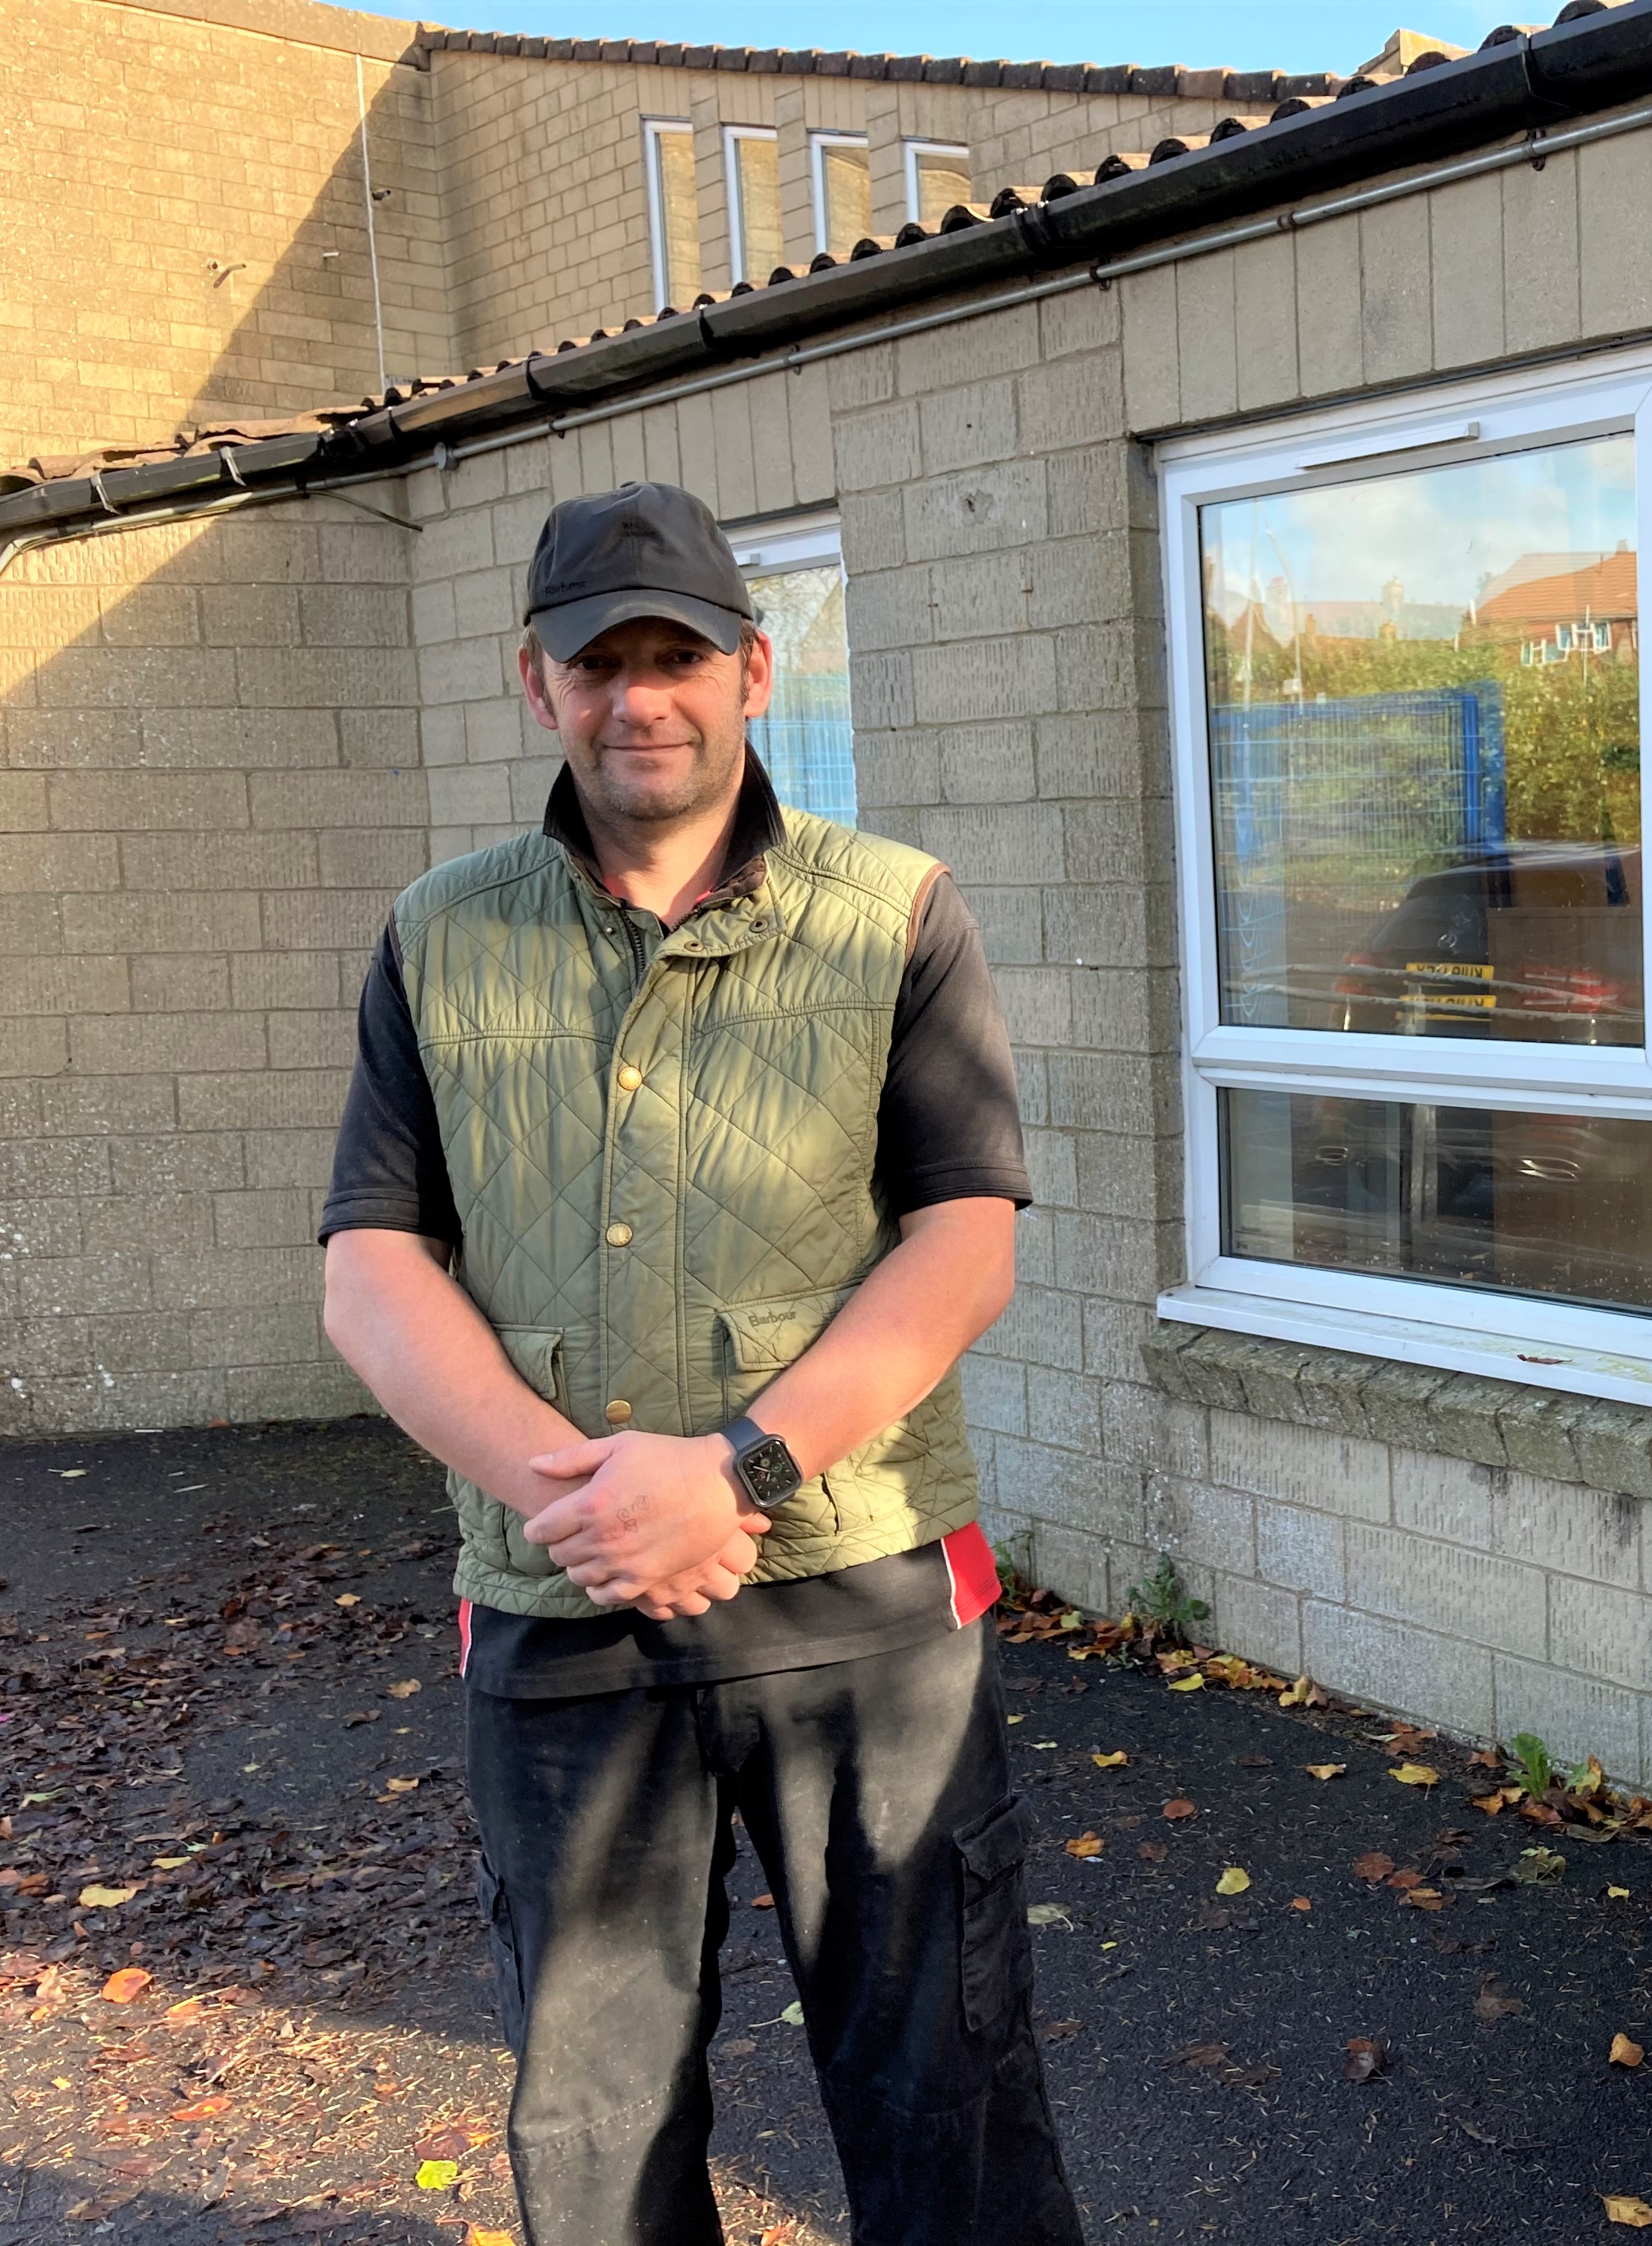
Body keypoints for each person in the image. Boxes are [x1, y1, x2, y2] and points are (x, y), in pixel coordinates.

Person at [318, 481, 1084, 2246]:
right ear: (539, 686)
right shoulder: (440, 935)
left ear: (753, 670)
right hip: (561, 1603)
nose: (638, 698)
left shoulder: (895, 912)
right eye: (599, 663)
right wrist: (583, 1502)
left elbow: (964, 1241)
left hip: (859, 1590)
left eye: (676, 657)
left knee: (944, 2089)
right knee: (592, 2125)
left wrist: (730, 1472)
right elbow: (372, 1274)